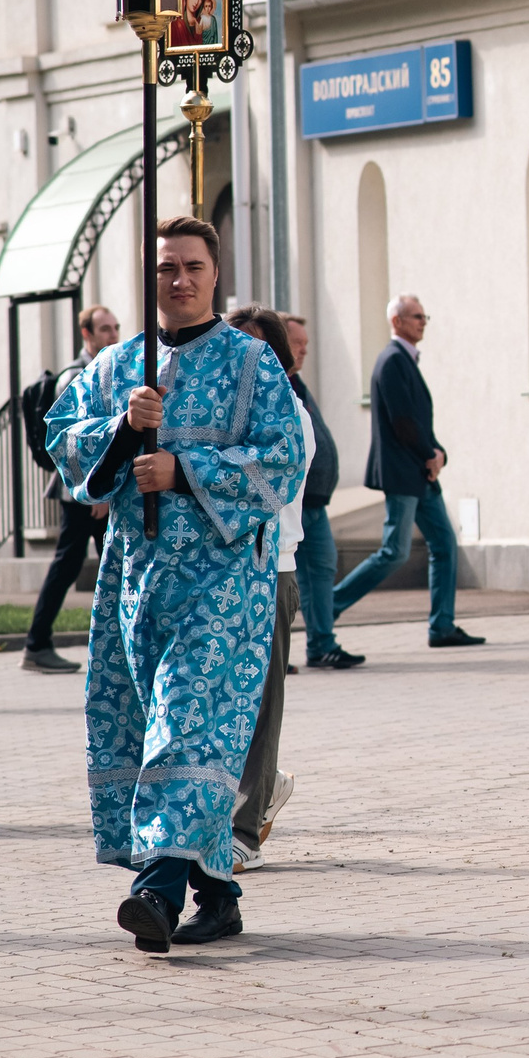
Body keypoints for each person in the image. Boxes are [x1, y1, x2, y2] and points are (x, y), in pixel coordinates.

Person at [46, 217, 307, 951]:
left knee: (184, 723)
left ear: (215, 273)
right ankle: (217, 894)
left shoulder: (254, 363)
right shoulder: (116, 365)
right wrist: (126, 430)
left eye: (193, 266)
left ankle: (155, 890)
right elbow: (62, 435)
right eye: (166, 269)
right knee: (161, 725)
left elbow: (286, 459)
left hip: (226, 587)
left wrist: (186, 472)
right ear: (149, 276)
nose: (181, 280)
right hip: (138, 580)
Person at [330, 293, 482, 650]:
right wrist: (430, 453)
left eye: (424, 316)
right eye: (416, 316)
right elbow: (402, 422)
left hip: (420, 473)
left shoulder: (405, 360)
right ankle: (329, 605)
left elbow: (416, 419)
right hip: (405, 473)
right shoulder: (393, 360)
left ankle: (442, 626)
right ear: (396, 321)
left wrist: (436, 452)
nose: (422, 321)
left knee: (444, 544)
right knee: (394, 552)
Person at [226, 305, 306, 869]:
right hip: (219, 574)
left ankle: (246, 829)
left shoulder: (290, 414)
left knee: (260, 704)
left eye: (255, 351)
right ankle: (265, 780)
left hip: (269, 570)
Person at [22, 306, 121, 675]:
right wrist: (99, 491)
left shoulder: (107, 369)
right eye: (105, 329)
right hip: (86, 491)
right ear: (87, 335)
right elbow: (76, 440)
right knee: (71, 563)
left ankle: (110, 646)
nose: (112, 335)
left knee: (105, 562)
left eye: (115, 328)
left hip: (96, 490)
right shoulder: (77, 377)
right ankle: (37, 643)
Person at [282, 315, 358, 669]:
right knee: (295, 580)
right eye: (298, 343)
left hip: (314, 502)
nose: (304, 351)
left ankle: (322, 644)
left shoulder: (296, 382)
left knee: (322, 570)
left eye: (306, 344)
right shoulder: (277, 384)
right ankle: (276, 653)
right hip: (293, 503)